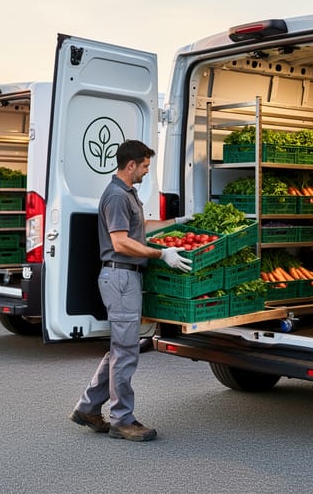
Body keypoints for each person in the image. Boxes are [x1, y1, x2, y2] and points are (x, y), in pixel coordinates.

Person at [69, 139, 192, 442]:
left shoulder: (127, 195)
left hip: (126, 278)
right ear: (131, 164)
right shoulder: (115, 196)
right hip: (121, 278)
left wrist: (175, 223)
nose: (147, 171)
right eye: (146, 166)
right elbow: (121, 241)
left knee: (120, 349)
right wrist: (160, 254)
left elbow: (141, 227)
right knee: (125, 352)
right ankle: (122, 420)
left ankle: (87, 407)